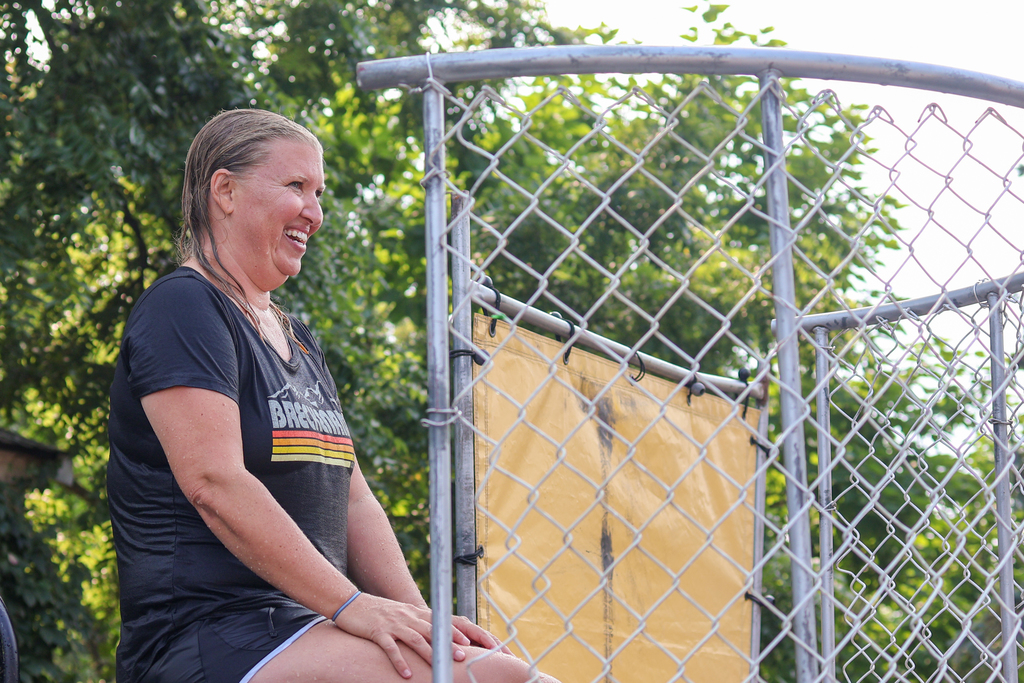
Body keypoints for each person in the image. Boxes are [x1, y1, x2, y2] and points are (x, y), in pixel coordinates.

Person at [107, 109, 557, 683]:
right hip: (207, 639)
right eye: (295, 186)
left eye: (319, 192)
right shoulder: (184, 307)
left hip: (305, 626)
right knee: (497, 680)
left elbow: (352, 501)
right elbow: (214, 483)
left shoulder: (297, 338)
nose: (314, 213)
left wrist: (421, 619)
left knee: (490, 668)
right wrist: (352, 605)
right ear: (225, 190)